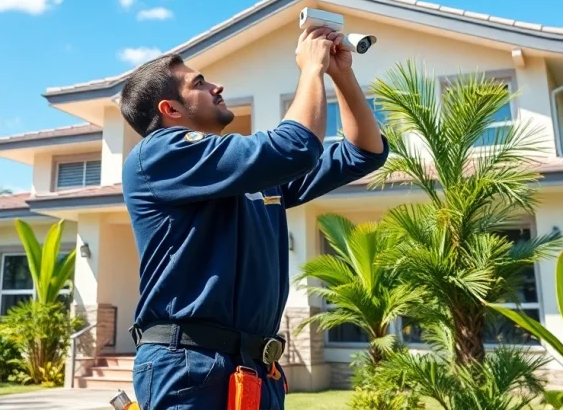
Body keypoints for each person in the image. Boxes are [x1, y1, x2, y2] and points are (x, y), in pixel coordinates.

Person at [119, 26, 388, 410]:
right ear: (171, 109)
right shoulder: (158, 155)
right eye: (199, 83)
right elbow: (294, 148)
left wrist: (339, 74)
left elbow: (364, 152)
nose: (217, 86)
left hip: (255, 368)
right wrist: (310, 70)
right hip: (189, 367)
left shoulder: (247, 175)